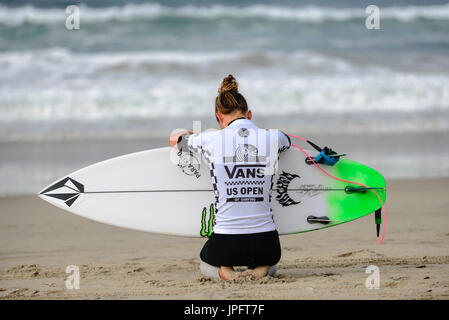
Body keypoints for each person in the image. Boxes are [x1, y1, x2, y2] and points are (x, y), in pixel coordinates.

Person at [169, 74, 291, 280]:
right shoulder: (274, 137)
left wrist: (193, 134)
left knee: (206, 263)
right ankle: (261, 270)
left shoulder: (209, 139)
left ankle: (226, 272)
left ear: (219, 117)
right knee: (271, 262)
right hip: (266, 243)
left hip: (225, 242)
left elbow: (175, 139)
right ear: (249, 114)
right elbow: (287, 141)